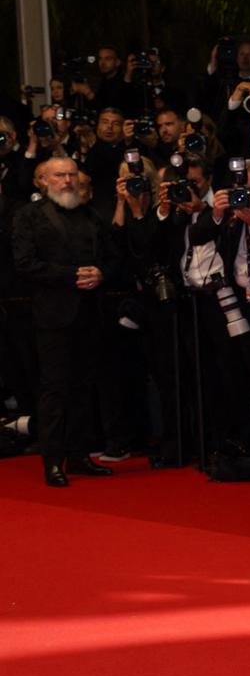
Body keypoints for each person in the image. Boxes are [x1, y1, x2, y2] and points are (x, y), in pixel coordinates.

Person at [10, 155, 114, 486]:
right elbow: (24, 263)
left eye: (71, 175)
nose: (68, 181)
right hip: (52, 316)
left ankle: (80, 454)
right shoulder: (28, 217)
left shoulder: (91, 216)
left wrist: (101, 273)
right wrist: (71, 276)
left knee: (84, 387)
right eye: (60, 176)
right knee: (54, 389)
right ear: (43, 181)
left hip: (89, 313)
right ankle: (52, 459)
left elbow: (112, 258)